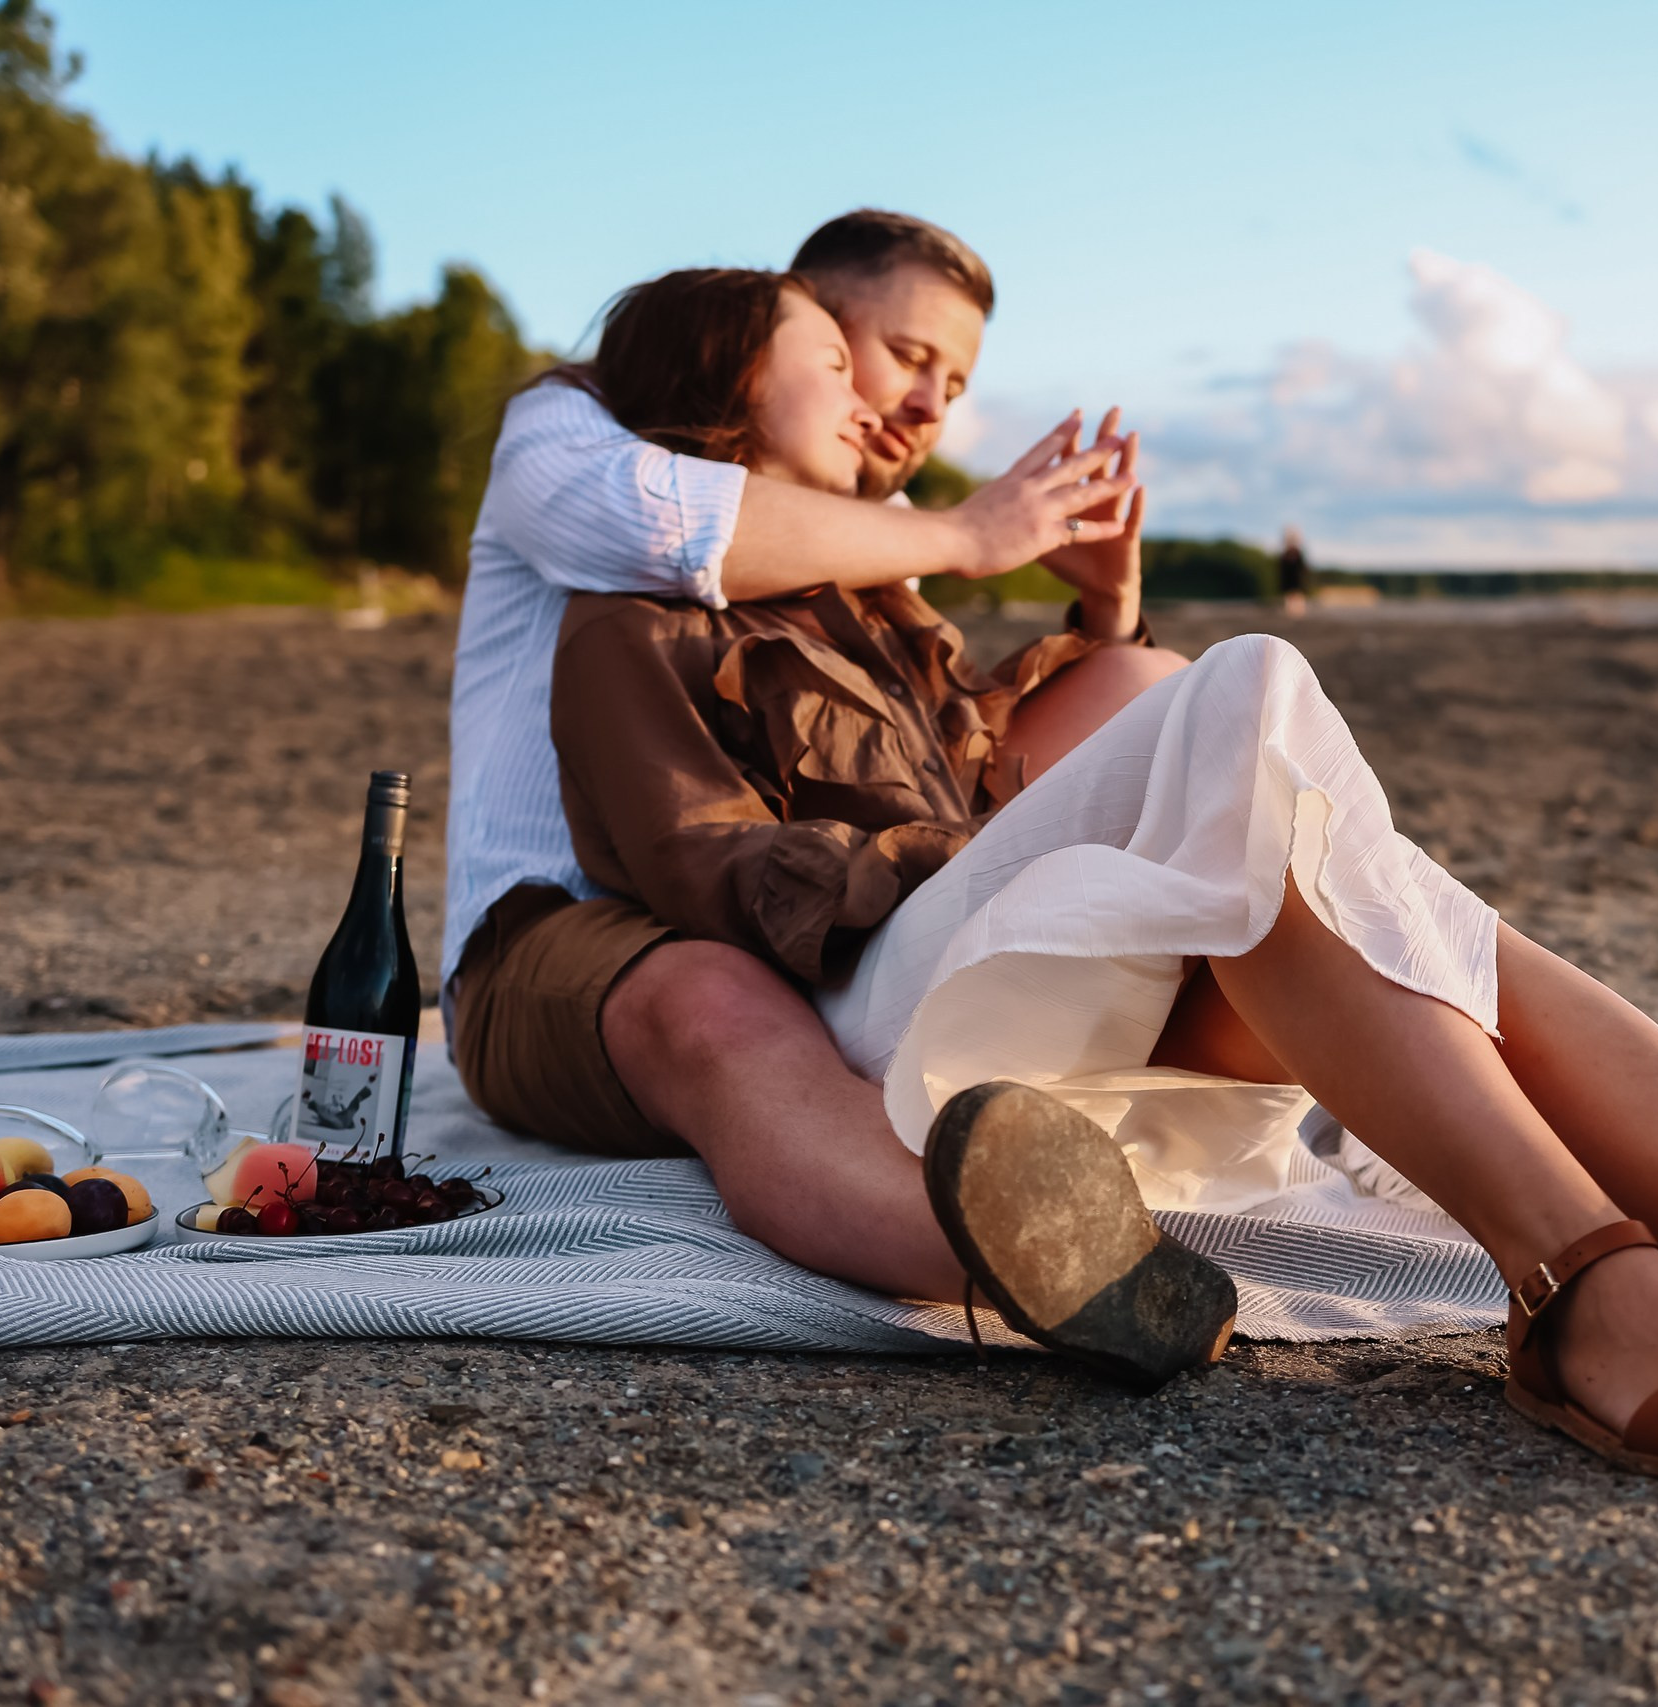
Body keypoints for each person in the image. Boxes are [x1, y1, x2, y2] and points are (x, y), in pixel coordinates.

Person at [544, 264, 1658, 1490]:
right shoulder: (632, 621)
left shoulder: (889, 613)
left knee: (1300, 866)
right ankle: (1619, 1288)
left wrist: (1095, 621)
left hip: (988, 955)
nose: (870, 398)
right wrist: (975, 844)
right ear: (718, 396)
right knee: (1255, 691)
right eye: (828, 367)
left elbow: (988, 743)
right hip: (877, 1004)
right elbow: (699, 861)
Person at [443, 211, 1175, 1221]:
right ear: (790, 329)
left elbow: (945, 738)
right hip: (562, 934)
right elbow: (659, 524)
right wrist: (968, 533)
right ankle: (975, 1243)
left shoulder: (877, 529)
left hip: (818, 915)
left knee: (1156, 695)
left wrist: (1107, 609)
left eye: (953, 385)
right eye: (904, 357)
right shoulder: (573, 421)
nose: (926, 407)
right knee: (709, 996)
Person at [1276, 526, 1311, 615]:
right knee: (1291, 594)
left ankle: (1298, 611)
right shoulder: (1286, 555)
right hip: (1290, 580)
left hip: (1296, 580)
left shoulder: (1296, 554)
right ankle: (1291, 611)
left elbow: (1302, 568)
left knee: (1297, 594)